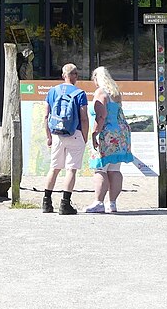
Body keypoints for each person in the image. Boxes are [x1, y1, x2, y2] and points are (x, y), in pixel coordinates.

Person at [84, 66, 132, 214]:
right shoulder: (116, 93)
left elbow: (101, 115)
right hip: (121, 132)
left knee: (100, 168)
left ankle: (98, 202)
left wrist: (94, 133)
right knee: (115, 169)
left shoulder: (101, 93)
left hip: (106, 133)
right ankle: (112, 203)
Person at [43, 63, 90, 215]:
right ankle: (65, 204)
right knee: (71, 169)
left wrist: (48, 136)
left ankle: (46, 202)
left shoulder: (52, 91)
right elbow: (84, 118)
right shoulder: (80, 93)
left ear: (63, 75)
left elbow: (46, 116)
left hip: (57, 133)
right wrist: (85, 136)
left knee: (54, 168)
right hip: (74, 133)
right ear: (75, 75)